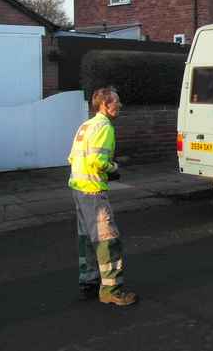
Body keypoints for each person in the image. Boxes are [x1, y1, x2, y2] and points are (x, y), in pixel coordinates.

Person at [68, 87, 138, 306]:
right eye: (116, 101)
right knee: (108, 240)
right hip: (93, 191)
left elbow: (72, 158)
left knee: (87, 238)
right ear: (105, 105)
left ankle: (88, 281)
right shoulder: (105, 126)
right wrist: (113, 167)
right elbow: (98, 162)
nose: (120, 105)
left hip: (78, 188)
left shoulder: (86, 125)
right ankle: (111, 291)